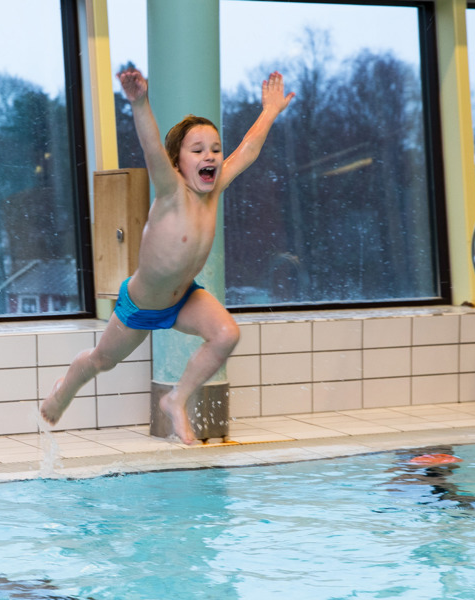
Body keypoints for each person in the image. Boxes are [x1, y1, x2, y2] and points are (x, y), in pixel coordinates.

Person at [41, 65, 293, 444]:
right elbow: (151, 148)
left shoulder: (215, 186)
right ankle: (64, 390)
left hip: (183, 298)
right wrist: (140, 102)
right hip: (141, 305)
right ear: (177, 162)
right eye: (198, 150)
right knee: (101, 361)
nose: (210, 156)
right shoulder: (171, 190)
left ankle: (176, 399)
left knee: (226, 335)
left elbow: (248, 150)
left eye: (215, 149)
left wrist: (270, 111)